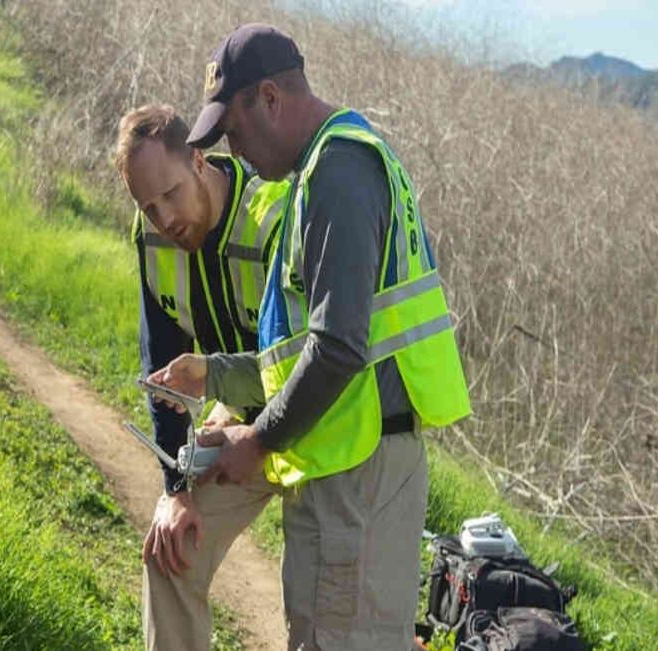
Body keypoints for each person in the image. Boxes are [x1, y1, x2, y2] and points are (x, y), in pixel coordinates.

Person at [149, 24, 471, 650]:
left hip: (359, 478)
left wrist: (257, 438)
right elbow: (301, 353)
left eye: (234, 132)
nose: (234, 153)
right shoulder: (321, 171)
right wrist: (212, 373)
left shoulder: (337, 174)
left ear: (269, 97)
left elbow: (339, 348)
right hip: (352, 465)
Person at [113, 104, 291, 649]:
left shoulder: (275, 219)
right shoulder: (153, 240)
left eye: (170, 194)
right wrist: (177, 491)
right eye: (148, 206)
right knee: (170, 554)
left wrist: (259, 435)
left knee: (323, 609)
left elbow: (317, 364)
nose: (164, 218)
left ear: (197, 157)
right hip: (236, 414)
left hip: (315, 418)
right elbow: (163, 372)